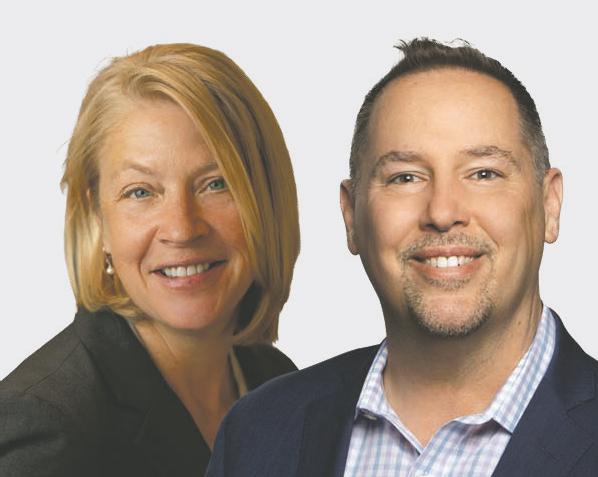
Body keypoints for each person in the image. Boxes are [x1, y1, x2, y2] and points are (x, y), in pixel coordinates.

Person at [206, 38, 598, 476]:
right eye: (405, 177)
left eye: (484, 173)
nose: (442, 212)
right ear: (351, 216)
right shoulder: (257, 433)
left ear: (549, 205)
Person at [0, 43, 299, 476]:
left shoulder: (276, 384)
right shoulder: (49, 427)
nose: (181, 228)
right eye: (140, 192)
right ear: (97, 217)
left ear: (266, 199)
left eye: (216, 183)